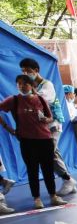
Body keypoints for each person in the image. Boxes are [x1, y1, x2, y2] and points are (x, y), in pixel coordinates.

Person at [0, 74, 66, 208]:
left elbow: (49, 117)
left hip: (45, 139)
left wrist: (45, 120)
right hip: (27, 141)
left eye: (24, 83)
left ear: (32, 85)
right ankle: (36, 199)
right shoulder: (14, 100)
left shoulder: (40, 99)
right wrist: (9, 128)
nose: (21, 86)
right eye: (18, 84)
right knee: (32, 170)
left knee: (48, 169)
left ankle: (53, 196)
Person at [19, 58, 77, 196]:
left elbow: (40, 100)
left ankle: (68, 179)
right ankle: (68, 180)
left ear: (36, 71)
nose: (26, 73)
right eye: (23, 71)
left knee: (50, 154)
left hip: (53, 124)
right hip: (42, 127)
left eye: (28, 71)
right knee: (52, 154)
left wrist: (28, 92)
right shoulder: (32, 88)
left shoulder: (47, 85)